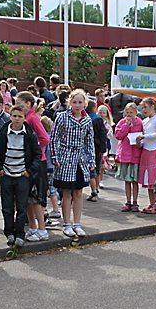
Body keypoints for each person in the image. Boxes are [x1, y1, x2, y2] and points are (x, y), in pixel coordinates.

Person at [0, 104, 41, 247]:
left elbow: (37, 154)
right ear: (10, 116)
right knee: (7, 207)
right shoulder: (3, 132)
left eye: (20, 116)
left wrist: (29, 171)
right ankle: (9, 233)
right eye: (14, 116)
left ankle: (20, 233)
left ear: (24, 118)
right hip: (6, 174)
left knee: (21, 207)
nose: (17, 119)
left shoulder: (29, 134)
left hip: (22, 176)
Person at [51, 89, 96, 238]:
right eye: (74, 102)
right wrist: (55, 156)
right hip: (65, 159)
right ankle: (67, 224)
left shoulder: (88, 120)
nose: (77, 105)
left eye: (80, 102)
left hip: (81, 160)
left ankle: (77, 223)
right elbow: (54, 138)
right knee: (66, 193)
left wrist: (91, 161)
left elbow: (89, 142)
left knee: (78, 192)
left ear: (85, 104)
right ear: (70, 102)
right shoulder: (62, 117)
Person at [17, 92, 51, 242]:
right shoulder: (25, 119)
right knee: (28, 196)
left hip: (37, 163)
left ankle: (42, 229)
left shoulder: (32, 118)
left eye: (20, 103)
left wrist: (36, 152)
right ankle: (32, 227)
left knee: (36, 197)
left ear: (28, 104)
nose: (17, 106)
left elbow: (44, 138)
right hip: (28, 162)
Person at [137, 98, 156, 215]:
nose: (144, 110)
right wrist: (139, 141)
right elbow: (144, 137)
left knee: (154, 179)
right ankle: (151, 203)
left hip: (154, 151)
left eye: (145, 107)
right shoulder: (144, 121)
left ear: (152, 106)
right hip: (146, 151)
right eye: (143, 108)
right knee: (148, 180)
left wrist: (144, 136)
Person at [115, 102, 143, 212]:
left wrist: (139, 141)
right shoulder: (122, 122)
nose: (129, 114)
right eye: (127, 112)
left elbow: (143, 136)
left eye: (131, 112)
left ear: (136, 112)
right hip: (125, 155)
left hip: (136, 155)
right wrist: (126, 125)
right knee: (127, 180)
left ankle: (135, 202)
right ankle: (128, 201)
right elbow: (118, 136)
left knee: (135, 180)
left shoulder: (140, 123)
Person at [87, 100, 110, 202]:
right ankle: (95, 189)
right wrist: (103, 148)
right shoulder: (98, 120)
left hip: (86, 147)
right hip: (96, 147)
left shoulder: (84, 118)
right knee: (95, 168)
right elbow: (102, 135)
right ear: (94, 108)